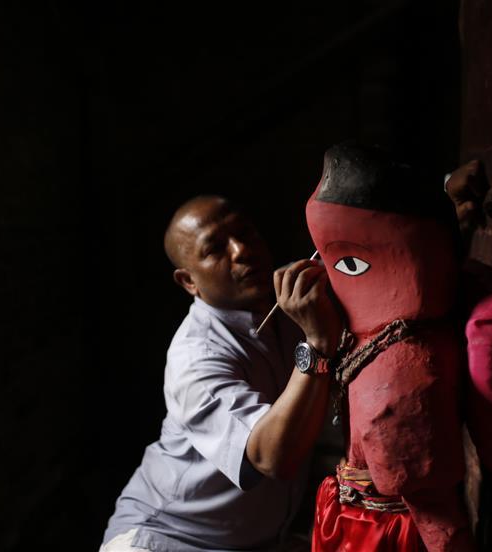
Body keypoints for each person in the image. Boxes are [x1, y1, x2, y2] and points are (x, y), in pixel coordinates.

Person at [100, 195, 342, 552]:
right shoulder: (195, 356)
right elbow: (270, 457)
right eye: (214, 249)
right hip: (165, 538)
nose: (241, 250)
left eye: (245, 232)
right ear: (188, 281)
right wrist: (317, 343)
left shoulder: (292, 312)